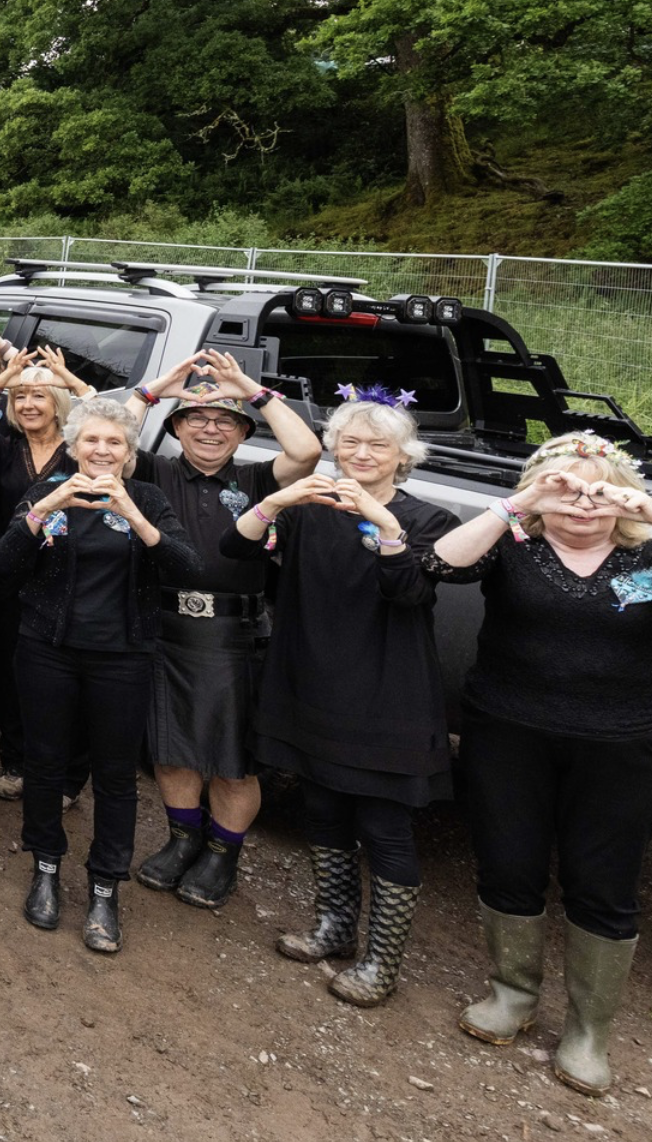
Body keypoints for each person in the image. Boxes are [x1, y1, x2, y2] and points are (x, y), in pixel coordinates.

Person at [426, 433, 652, 1096]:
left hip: (618, 746)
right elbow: (438, 564)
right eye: (565, 488)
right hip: (507, 734)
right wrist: (520, 504)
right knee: (509, 863)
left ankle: (588, 1032)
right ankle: (513, 994)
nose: (582, 502)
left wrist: (645, 507)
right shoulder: (513, 545)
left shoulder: (646, 554)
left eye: (598, 491)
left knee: (602, 884)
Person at [225, 399, 455, 1007]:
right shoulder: (309, 508)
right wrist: (276, 502)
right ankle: (334, 926)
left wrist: (383, 523)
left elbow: (409, 591)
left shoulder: (429, 519)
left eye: (378, 445)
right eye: (349, 442)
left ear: (403, 457)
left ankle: (382, 962)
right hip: (312, 679)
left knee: (384, 825)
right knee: (322, 808)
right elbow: (236, 549)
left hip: (387, 692)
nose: (361, 454)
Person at [0, 397, 197, 953]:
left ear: (129, 453)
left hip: (122, 658)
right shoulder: (49, 491)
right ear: (74, 446)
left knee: (114, 777)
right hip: (46, 651)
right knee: (44, 763)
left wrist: (133, 516)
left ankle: (105, 887)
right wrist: (44, 507)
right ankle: (46, 867)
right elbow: (3, 563)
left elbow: (188, 568)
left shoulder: (147, 498)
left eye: (114, 443)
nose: (102, 451)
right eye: (92, 440)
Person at [124, 350, 323, 908]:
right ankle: (183, 839)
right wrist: (154, 390)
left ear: (242, 433)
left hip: (235, 637)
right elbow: (109, 437)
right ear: (177, 428)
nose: (210, 429)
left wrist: (251, 390)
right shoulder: (154, 471)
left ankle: (222, 854)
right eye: (196, 419)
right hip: (164, 627)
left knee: (235, 762)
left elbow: (307, 451)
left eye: (224, 421)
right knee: (172, 750)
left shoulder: (258, 478)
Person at [0, 353, 90, 800]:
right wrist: (2, 379)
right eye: (21, 397)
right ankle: (17, 762)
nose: (29, 404)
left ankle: (66, 775)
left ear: (58, 403)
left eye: (39, 396)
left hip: (65, 579)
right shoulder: (4, 447)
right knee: (8, 672)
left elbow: (107, 416)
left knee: (62, 681)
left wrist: (67, 377)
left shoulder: (80, 447)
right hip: (6, 577)